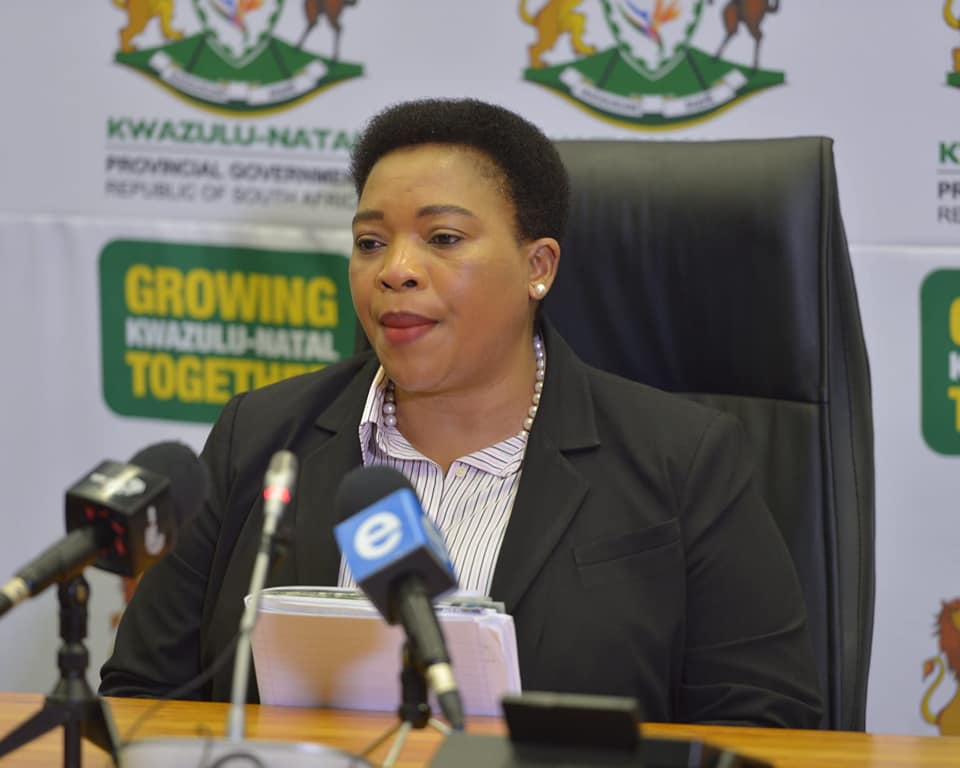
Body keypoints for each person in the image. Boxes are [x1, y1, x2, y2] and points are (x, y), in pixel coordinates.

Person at [100, 98, 823, 727]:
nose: (395, 270)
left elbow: (766, 724)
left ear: (538, 266)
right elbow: (142, 693)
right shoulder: (260, 438)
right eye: (370, 242)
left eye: (442, 238)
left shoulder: (682, 460)